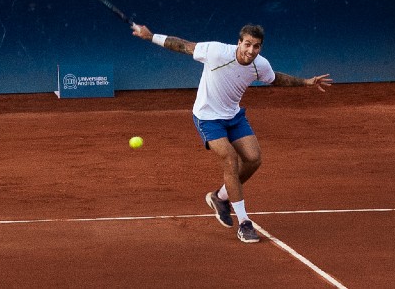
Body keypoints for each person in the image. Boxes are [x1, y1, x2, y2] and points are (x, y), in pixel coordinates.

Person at [131, 23, 333, 243]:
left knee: (254, 159)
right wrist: (151, 36)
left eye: (256, 47)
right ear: (239, 42)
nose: (250, 50)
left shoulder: (259, 65)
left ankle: (220, 196)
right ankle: (244, 223)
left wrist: (306, 82)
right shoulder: (216, 52)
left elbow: (276, 78)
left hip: (233, 117)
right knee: (230, 159)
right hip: (207, 117)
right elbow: (183, 46)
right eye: (247, 44)